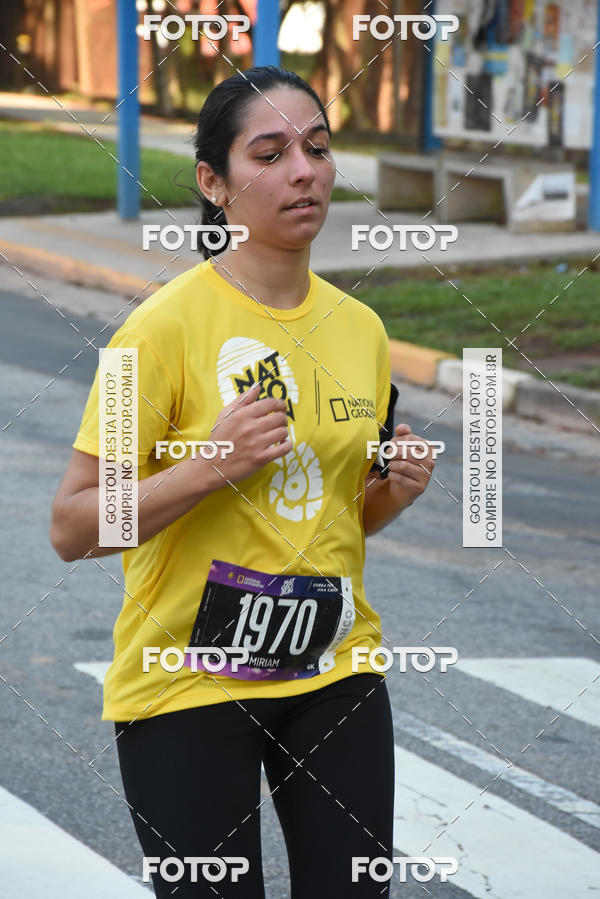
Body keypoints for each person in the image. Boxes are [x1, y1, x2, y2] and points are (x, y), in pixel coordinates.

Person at [50, 66, 435, 898]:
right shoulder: (152, 333)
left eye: (318, 148)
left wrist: (390, 494)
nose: (304, 170)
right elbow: (73, 527)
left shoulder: (362, 330)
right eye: (271, 153)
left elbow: (337, 516)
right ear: (213, 183)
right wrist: (207, 466)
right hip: (187, 679)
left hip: (333, 668)